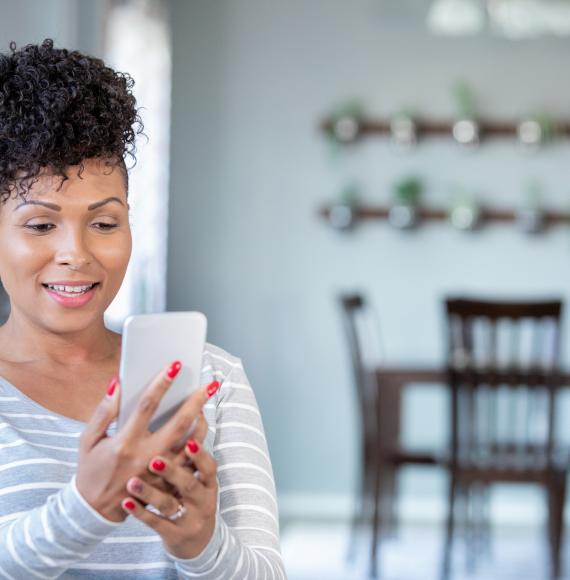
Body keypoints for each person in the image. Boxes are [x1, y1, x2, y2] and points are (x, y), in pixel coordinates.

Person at [0, 39, 285, 579]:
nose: (76, 254)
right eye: (40, 225)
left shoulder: (210, 380)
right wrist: (82, 509)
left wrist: (202, 544)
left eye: (105, 223)